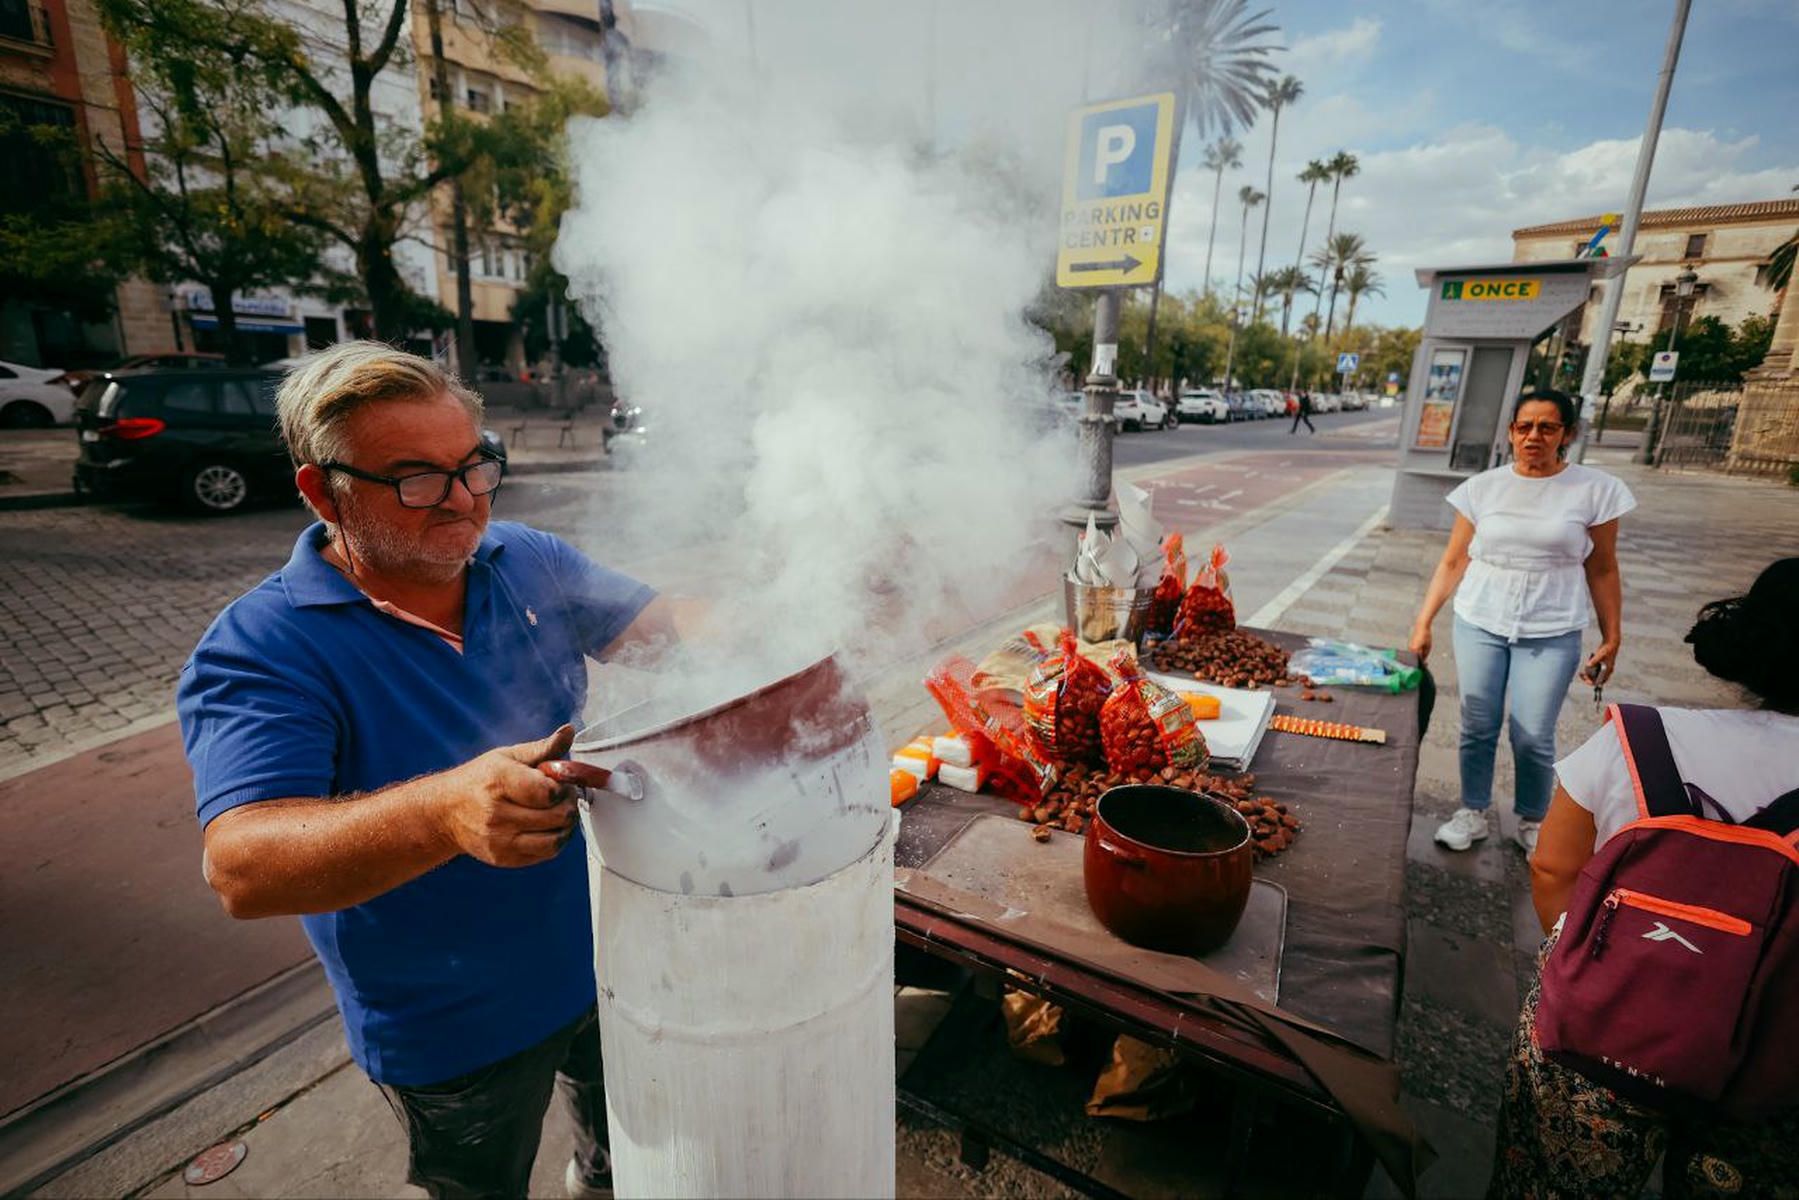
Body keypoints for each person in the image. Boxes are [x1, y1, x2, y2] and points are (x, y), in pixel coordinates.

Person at [177, 342, 692, 1199]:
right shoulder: (262, 646)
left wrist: (808, 620)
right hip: (453, 1019)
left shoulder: (523, 557)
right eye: (415, 478)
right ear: (321, 490)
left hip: (607, 946)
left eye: (473, 467)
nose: (461, 504)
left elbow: (662, 630)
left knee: (624, 1139)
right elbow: (240, 866)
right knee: (479, 1183)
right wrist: (444, 812)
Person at [1491, 558, 1799, 1198]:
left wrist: (1596, 961)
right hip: (1769, 1072)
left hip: (1595, 1037)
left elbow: (1551, 865)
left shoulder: (1642, 739)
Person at [1408, 387, 1634, 855]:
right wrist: (1424, 621)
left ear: (1567, 434)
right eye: (1524, 426)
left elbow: (1603, 567)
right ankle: (1471, 811)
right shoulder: (1482, 488)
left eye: (1547, 427)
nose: (1534, 436)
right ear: (1511, 432)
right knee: (1477, 724)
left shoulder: (1595, 490)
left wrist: (1613, 635)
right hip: (1480, 621)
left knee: (1532, 733)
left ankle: (1533, 819)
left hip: (1551, 630)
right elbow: (1453, 561)